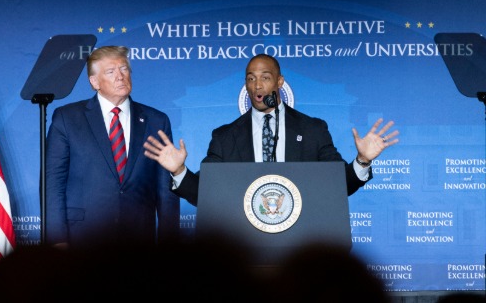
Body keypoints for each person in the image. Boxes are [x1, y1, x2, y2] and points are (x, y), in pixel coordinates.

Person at [143, 53, 399, 206]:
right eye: (250, 78)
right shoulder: (224, 137)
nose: (257, 85)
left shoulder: (313, 129)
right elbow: (206, 194)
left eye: (265, 77)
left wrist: (363, 160)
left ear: (279, 82)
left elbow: (338, 185)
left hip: (303, 246)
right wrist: (179, 171)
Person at [45, 45, 180, 249]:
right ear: (94, 82)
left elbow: (165, 188)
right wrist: (57, 239)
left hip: (139, 240)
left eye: (124, 69)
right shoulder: (67, 118)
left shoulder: (156, 121)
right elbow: (53, 183)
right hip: (83, 239)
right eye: (110, 71)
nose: (120, 76)